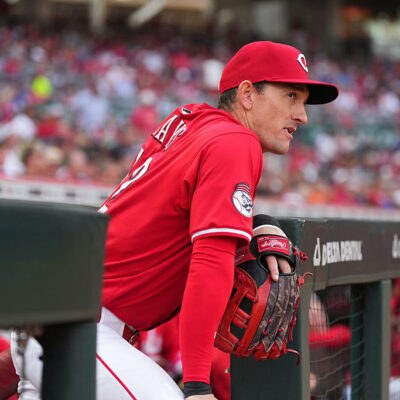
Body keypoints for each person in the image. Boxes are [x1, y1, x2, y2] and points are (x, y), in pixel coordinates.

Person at [10, 41, 338, 399]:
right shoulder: (235, 141)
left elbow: (173, 210)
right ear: (247, 94)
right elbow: (211, 260)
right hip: (78, 328)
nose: (303, 115)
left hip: (54, 318)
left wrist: (257, 220)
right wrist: (197, 385)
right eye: (291, 96)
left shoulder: (192, 122)